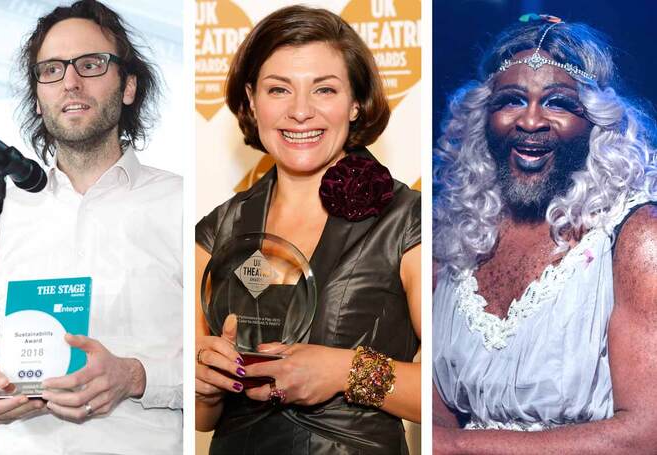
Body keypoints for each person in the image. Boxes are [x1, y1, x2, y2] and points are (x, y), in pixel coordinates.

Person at [0, 1, 182, 453]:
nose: (71, 82)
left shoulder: (179, 202)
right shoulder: (5, 206)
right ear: (39, 98)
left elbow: (209, 365)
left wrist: (137, 376)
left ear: (129, 86)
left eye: (91, 64)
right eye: (52, 70)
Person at [195, 5, 421, 454]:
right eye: (279, 89)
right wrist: (205, 385)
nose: (300, 112)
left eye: (324, 89)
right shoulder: (217, 230)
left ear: (355, 103)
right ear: (252, 99)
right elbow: (205, 420)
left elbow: (442, 397)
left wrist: (343, 372)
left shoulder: (408, 219)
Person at [432, 15, 657, 453]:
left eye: (558, 103)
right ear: (483, 115)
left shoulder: (635, 239)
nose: (531, 121)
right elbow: (439, 411)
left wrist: (454, 448)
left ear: (595, 120)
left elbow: (647, 436)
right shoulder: (455, 237)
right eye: (512, 100)